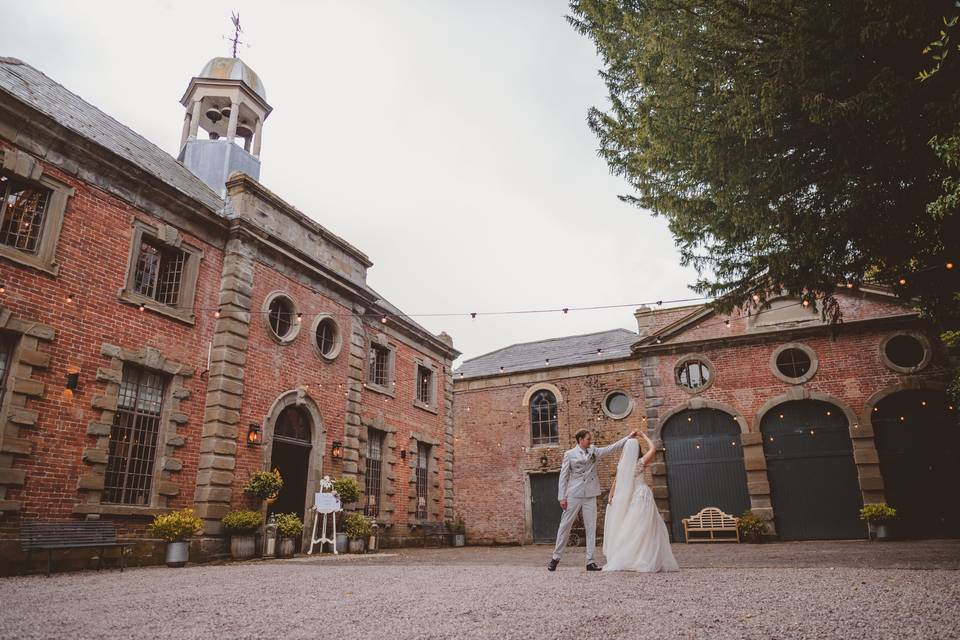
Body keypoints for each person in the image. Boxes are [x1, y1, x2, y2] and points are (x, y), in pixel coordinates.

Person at [548, 428, 636, 572]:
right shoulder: (569, 455)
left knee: (591, 527)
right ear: (580, 440)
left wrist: (628, 437)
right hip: (573, 494)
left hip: (590, 494)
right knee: (565, 526)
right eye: (588, 439)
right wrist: (562, 497)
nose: (591, 441)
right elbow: (563, 477)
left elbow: (610, 448)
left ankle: (590, 561)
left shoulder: (594, 450)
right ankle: (555, 558)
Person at [601, 431, 679, 572]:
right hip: (643, 496)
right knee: (648, 528)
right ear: (637, 449)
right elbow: (653, 449)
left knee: (634, 527)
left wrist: (611, 495)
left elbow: (616, 481)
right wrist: (643, 435)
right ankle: (645, 557)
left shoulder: (623, 466)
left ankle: (634, 556)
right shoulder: (640, 463)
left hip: (633, 498)